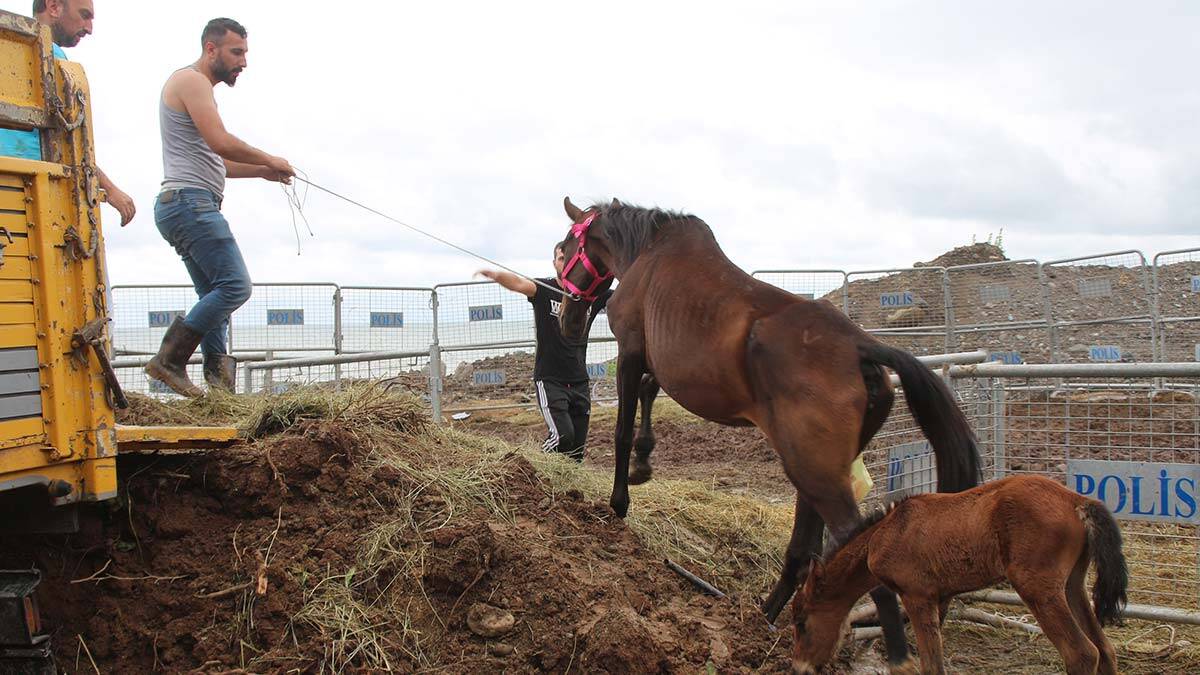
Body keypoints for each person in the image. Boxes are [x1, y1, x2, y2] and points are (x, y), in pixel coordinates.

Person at [145, 18, 294, 396]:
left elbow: (218, 162)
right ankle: (168, 361)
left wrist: (263, 172)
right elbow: (220, 141)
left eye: (245, 53)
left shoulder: (197, 88)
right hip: (189, 203)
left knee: (215, 295)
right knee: (235, 286)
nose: (243, 62)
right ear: (211, 49)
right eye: (236, 52)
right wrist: (269, 157)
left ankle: (220, 391)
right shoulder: (191, 80)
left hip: (184, 203)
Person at [0, 0, 136, 226]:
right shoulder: (48, 54)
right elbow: (72, 142)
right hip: (36, 189)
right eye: (84, 15)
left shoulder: (9, 52)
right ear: (53, 7)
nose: (89, 28)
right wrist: (111, 190)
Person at [478, 243, 613, 462]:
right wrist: (496, 275)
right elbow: (519, 283)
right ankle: (539, 464)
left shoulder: (589, 296)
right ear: (554, 263)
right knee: (562, 437)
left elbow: (626, 294)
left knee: (576, 452)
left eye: (569, 258)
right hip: (550, 381)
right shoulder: (544, 289)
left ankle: (566, 483)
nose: (565, 263)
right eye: (561, 259)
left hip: (579, 381)